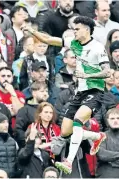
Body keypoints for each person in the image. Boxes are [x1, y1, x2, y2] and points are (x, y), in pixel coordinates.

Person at [30, 16, 111, 174]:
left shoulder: (97, 48)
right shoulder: (73, 43)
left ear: (87, 30)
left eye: (77, 29)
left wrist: (87, 76)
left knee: (78, 121)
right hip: (79, 92)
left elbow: (107, 72)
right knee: (66, 131)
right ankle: (96, 136)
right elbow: (48, 39)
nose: (74, 31)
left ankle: (68, 161)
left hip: (95, 90)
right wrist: (32, 31)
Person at [15, 81, 49, 148]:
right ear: (34, 93)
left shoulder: (50, 109)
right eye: (42, 91)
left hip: (48, 149)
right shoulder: (25, 110)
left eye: (46, 91)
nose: (45, 94)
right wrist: (29, 143)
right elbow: (18, 130)